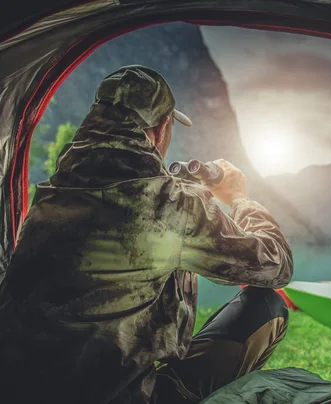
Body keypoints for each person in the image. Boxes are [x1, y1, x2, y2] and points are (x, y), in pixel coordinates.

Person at [0, 65, 293, 403]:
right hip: (116, 397)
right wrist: (239, 199)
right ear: (161, 128)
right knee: (267, 305)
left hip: (17, 390)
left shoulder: (54, 191)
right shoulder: (171, 206)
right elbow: (276, 265)